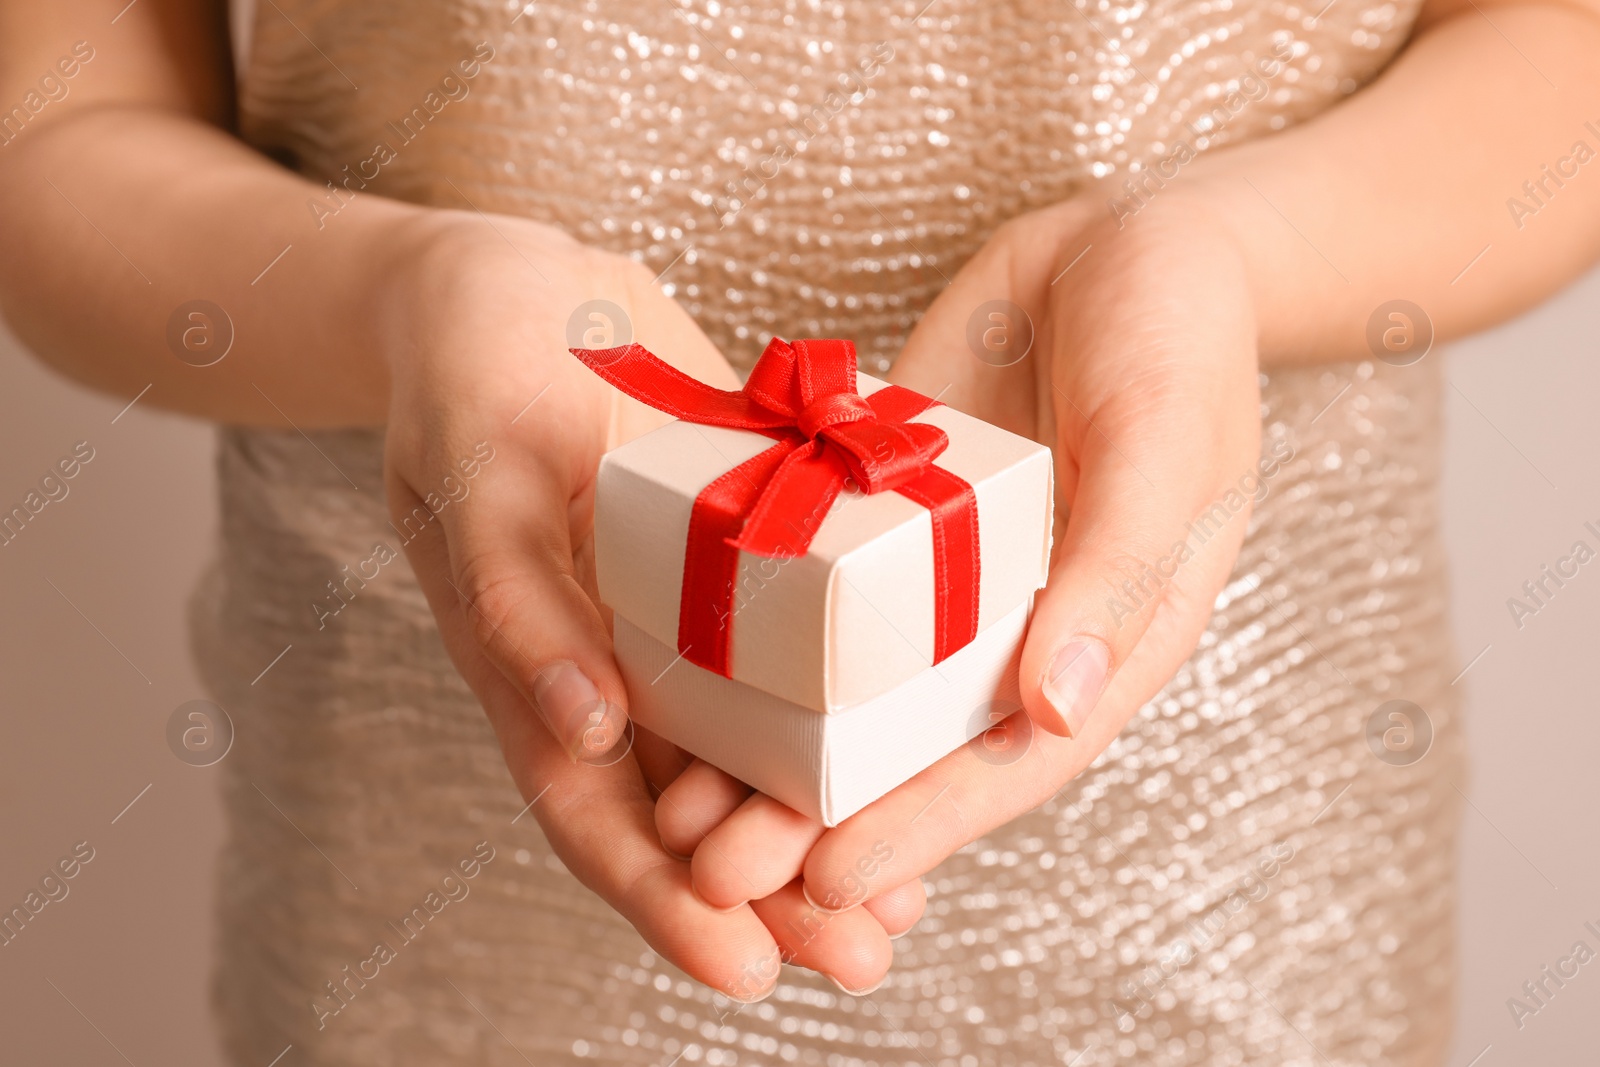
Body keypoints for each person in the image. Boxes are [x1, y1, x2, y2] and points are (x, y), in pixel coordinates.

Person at [2, 0, 1597, 1062]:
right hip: (442, 874)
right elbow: (55, 133)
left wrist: (1224, 257)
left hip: (1241, 862)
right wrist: (404, 292)